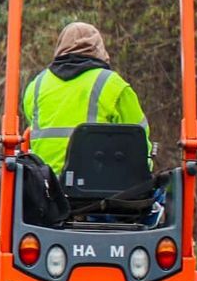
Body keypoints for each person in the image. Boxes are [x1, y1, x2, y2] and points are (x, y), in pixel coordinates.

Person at [22, 21, 149, 175]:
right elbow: (140, 140)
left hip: (44, 189)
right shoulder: (114, 85)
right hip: (97, 189)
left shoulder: (36, 86)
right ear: (99, 49)